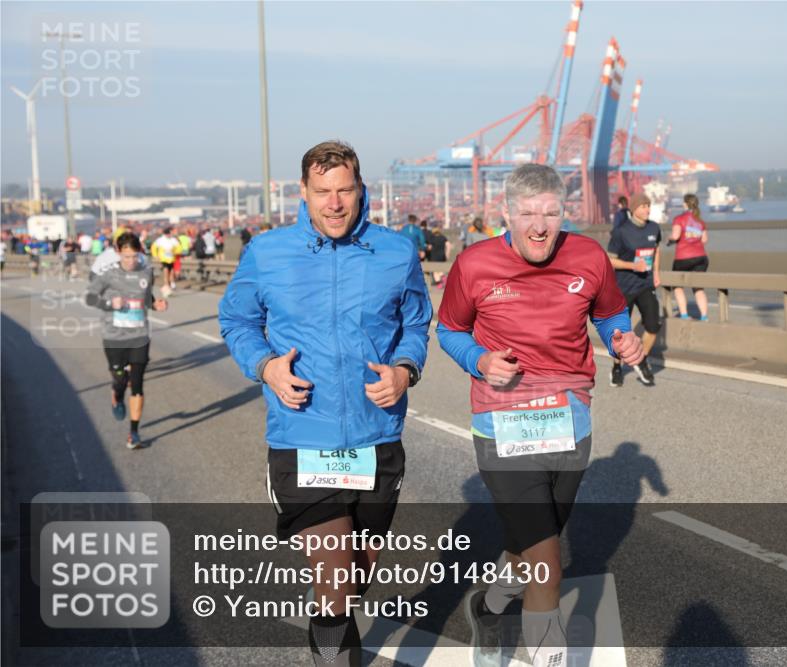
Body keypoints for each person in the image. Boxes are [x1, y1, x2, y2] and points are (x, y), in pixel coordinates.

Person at [219, 140, 432, 667]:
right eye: (322, 192)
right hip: (301, 436)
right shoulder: (267, 252)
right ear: (304, 193)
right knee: (335, 574)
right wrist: (266, 366)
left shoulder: (396, 252)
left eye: (344, 191)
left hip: (375, 434)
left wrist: (405, 370)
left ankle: (329, 615)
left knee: (357, 573)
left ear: (361, 191)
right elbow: (237, 320)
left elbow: (416, 322)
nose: (334, 203)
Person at [437, 163, 643, 667]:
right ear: (505, 214)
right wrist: (480, 360)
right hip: (501, 420)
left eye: (550, 213)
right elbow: (449, 330)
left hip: (569, 418)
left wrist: (621, 337)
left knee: (532, 541)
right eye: (528, 213)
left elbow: (610, 310)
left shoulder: (588, 255)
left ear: (563, 213)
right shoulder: (475, 264)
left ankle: (489, 604)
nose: (539, 225)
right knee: (548, 555)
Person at [85, 232, 167, 449]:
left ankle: (134, 433)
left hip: (140, 336)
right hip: (114, 337)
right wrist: (111, 303)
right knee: (121, 379)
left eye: (134, 256)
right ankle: (117, 393)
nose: (131, 261)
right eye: (126, 256)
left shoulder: (146, 272)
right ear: (118, 252)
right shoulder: (108, 275)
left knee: (138, 384)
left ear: (139, 253)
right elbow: (90, 298)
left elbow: (146, 297)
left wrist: (156, 304)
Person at [606, 191, 661, 387]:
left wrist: (655, 272)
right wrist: (632, 266)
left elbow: (656, 248)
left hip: (645, 285)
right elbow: (610, 260)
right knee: (620, 334)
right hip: (624, 287)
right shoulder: (621, 232)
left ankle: (641, 359)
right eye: (643, 206)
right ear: (634, 209)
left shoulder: (654, 227)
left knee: (654, 326)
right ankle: (617, 366)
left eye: (648, 206)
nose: (647, 209)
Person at [670, 193, 710, 320]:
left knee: (677, 286)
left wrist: (669, 238)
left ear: (685, 204)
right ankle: (704, 316)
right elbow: (704, 240)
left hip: (683, 258)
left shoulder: (679, 219)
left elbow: (675, 236)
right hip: (701, 258)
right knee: (698, 288)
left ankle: (684, 314)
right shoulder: (700, 221)